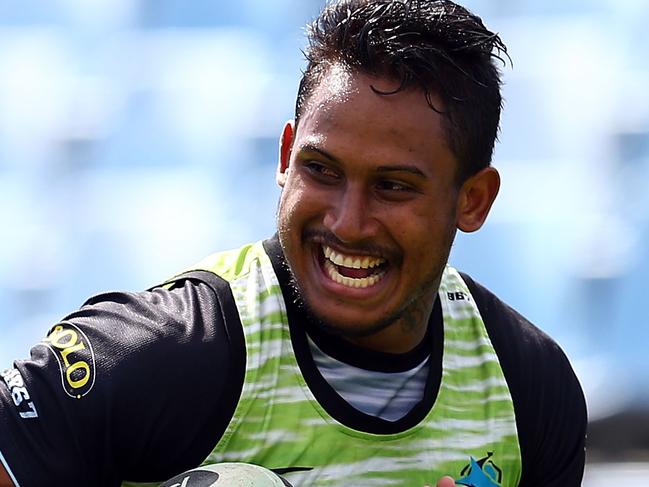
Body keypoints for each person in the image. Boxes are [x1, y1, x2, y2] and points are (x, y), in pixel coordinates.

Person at [0, 0, 587, 486]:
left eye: (393, 186)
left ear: (473, 200)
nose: (348, 222)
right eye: (322, 170)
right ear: (285, 159)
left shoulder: (528, 388)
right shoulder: (170, 351)